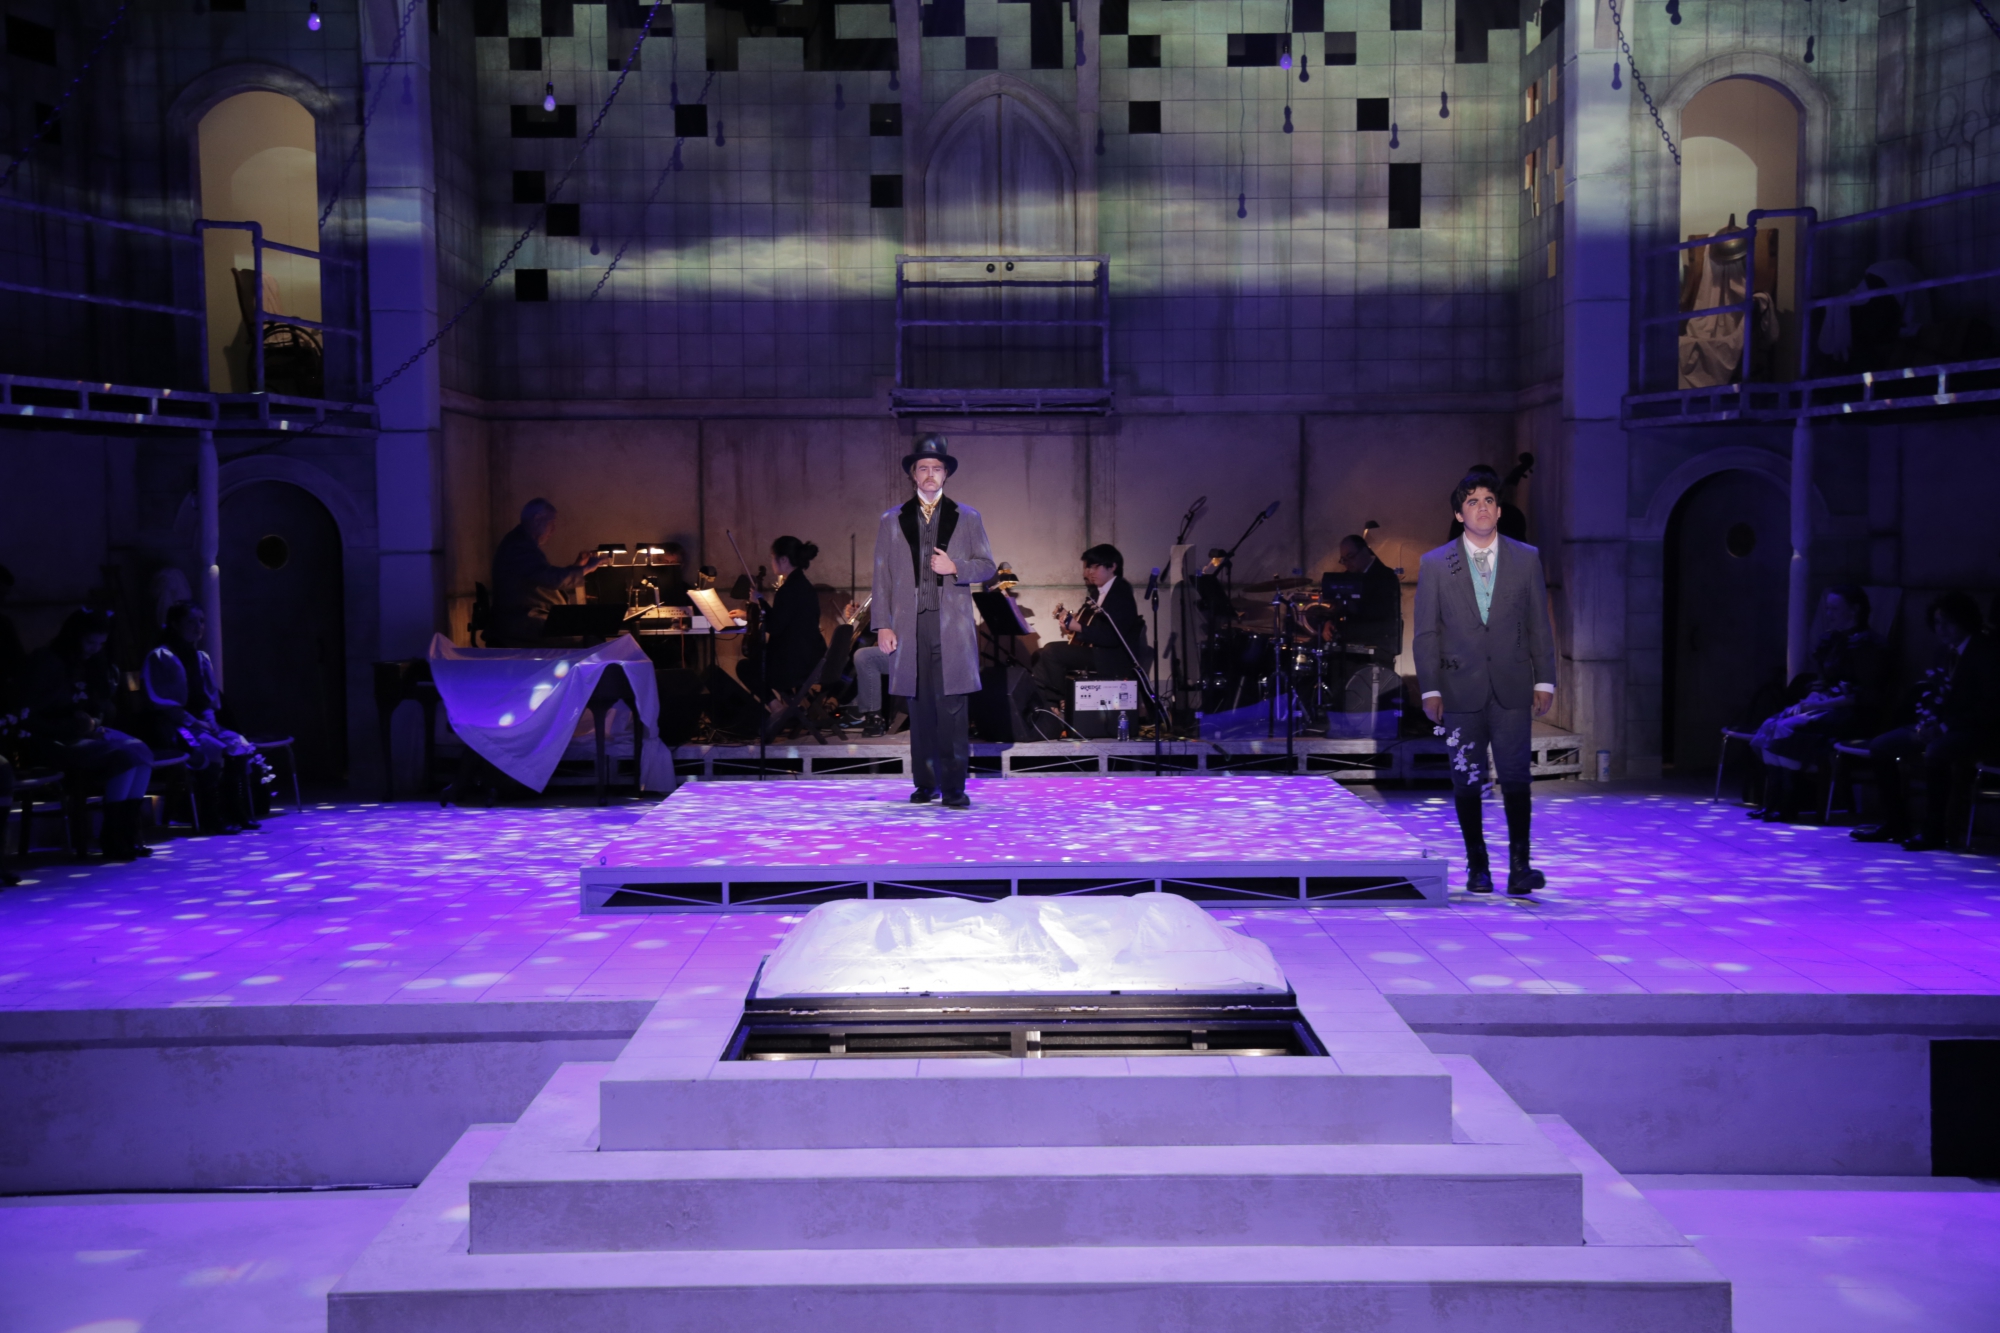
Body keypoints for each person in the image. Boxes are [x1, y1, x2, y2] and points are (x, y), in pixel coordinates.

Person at [1414, 471, 1559, 895]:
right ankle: (1478, 866)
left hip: (1512, 685)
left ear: (1499, 510)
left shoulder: (1526, 558)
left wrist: (1545, 679)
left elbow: (1539, 623)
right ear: (1460, 514)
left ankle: (1520, 867)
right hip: (1459, 689)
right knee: (1467, 777)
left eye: (1489, 500)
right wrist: (1430, 688)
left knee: (1516, 776)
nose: (1482, 507)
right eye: (1473, 501)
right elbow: (1426, 632)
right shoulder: (1436, 563)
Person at [870, 435, 996, 808]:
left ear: (946, 474)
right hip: (909, 627)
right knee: (919, 707)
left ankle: (954, 787)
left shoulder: (967, 517)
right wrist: (883, 624)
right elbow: (881, 575)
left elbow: (987, 566)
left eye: (936, 468)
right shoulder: (892, 519)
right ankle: (926, 784)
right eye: (923, 468)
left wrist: (956, 566)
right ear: (913, 474)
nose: (929, 474)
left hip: (951, 627)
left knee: (953, 708)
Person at [1853, 593, 1999, 851]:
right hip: (1942, 724)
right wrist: (1926, 722)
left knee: (1936, 751)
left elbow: (1988, 707)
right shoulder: (1944, 651)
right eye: (1937, 623)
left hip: (1976, 729)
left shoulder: (1986, 653)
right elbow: (1934, 693)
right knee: (1880, 746)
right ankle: (1895, 822)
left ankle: (1934, 830)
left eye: (1948, 623)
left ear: (1965, 621)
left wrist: (1943, 727)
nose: (1941, 629)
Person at [17, 610, 155, 861]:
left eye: (101, 644)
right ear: (75, 637)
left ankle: (129, 833)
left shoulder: (92, 662)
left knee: (142, 751)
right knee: (124, 756)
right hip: (50, 738)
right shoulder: (46, 662)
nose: (95, 649)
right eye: (91, 642)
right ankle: (112, 836)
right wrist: (75, 725)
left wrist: (94, 721)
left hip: (83, 731)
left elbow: (99, 704)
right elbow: (30, 715)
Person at [1746, 585, 1887, 820]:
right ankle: (1773, 800)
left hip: (1853, 714)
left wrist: (1816, 706)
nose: (1829, 614)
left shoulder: (1869, 645)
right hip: (1826, 705)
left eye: (1834, 609)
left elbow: (1863, 694)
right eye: (1827, 608)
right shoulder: (1831, 640)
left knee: (1787, 729)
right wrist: (1809, 700)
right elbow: (1823, 680)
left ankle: (1789, 804)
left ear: (1854, 610)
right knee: (1770, 725)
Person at [142, 602, 264, 834]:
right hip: (174, 724)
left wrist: (211, 721)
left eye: (201, 621)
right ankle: (211, 816)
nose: (198, 627)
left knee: (237, 743)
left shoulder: (200, 657)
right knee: (212, 748)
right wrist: (196, 723)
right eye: (191, 622)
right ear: (175, 624)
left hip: (201, 722)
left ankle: (235, 809)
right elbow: (164, 703)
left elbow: (207, 697)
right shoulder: (162, 657)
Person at [1031, 544, 1148, 710]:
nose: (1090, 572)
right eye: (1089, 567)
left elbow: (1112, 637)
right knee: (1039, 654)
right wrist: (1069, 626)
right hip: (1097, 650)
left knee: (1051, 651)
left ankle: (1062, 702)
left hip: (1111, 657)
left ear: (1112, 566)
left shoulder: (1120, 593)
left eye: (1095, 567)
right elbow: (1085, 623)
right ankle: (1047, 706)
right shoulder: (1097, 593)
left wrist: (1078, 628)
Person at [489, 498, 610, 646]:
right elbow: (550, 579)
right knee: (591, 637)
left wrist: (578, 566)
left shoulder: (521, 542)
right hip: (523, 622)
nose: (553, 530)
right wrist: (586, 569)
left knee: (593, 629)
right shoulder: (518, 546)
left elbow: (542, 575)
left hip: (530, 617)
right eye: (551, 522)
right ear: (537, 519)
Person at [738, 536, 828, 702]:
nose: (772, 562)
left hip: (793, 666)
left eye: (773, 557)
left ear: (784, 559)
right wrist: (760, 602)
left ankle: (776, 707)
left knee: (746, 667)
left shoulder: (788, 590)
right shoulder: (805, 585)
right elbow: (786, 619)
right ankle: (792, 706)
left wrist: (759, 602)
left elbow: (774, 626)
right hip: (811, 659)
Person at [1335, 533, 1404, 664]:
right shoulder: (1347, 577)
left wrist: (1353, 607)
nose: (1347, 563)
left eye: (1350, 557)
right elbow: (1338, 608)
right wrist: (1331, 622)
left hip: (1376, 648)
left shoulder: (1386, 577)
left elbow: (1382, 616)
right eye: (1343, 559)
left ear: (1365, 551)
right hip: (1350, 645)